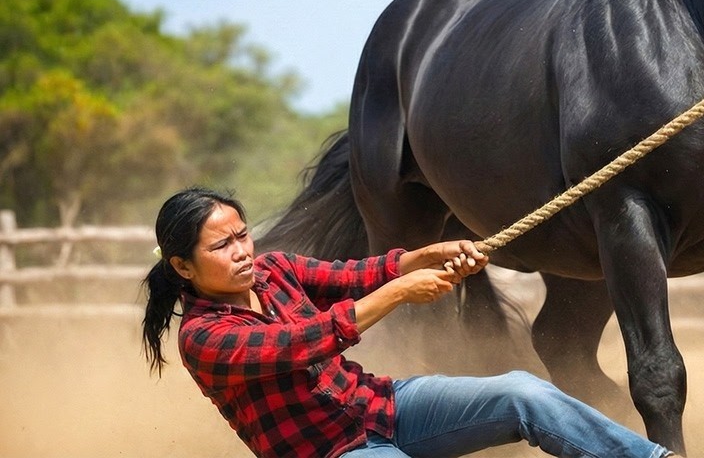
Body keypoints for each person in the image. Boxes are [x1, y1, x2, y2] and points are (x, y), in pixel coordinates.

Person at [141, 187, 674, 458]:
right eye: (221, 245)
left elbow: (352, 275)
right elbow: (303, 343)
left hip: (385, 405)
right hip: (330, 452)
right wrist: (399, 292)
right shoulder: (204, 337)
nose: (241, 251)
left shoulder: (274, 269)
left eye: (242, 235)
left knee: (523, 392)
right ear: (182, 266)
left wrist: (420, 257)